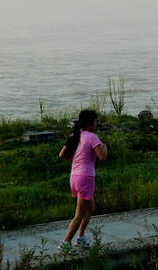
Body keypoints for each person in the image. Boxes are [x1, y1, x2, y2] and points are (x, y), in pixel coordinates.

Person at [58, 109, 107, 254]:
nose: (97, 123)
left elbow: (62, 155)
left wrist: (77, 160)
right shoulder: (92, 137)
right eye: (96, 121)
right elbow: (102, 157)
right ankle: (66, 243)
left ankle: (81, 237)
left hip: (74, 177)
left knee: (90, 209)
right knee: (79, 214)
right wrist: (104, 147)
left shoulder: (76, 136)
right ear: (91, 123)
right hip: (85, 178)